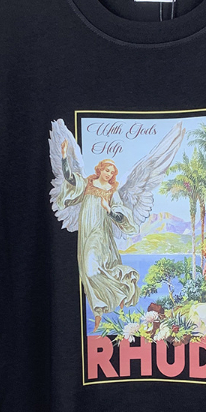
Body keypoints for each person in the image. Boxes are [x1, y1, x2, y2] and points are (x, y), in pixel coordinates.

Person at [59, 138, 139, 332]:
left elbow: (120, 214)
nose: (109, 174)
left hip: (100, 234)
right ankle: (98, 311)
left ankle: (121, 290)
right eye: (107, 170)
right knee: (86, 271)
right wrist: (64, 156)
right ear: (100, 169)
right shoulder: (87, 183)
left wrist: (108, 209)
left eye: (112, 172)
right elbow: (69, 178)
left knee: (92, 270)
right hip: (86, 232)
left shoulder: (112, 191)